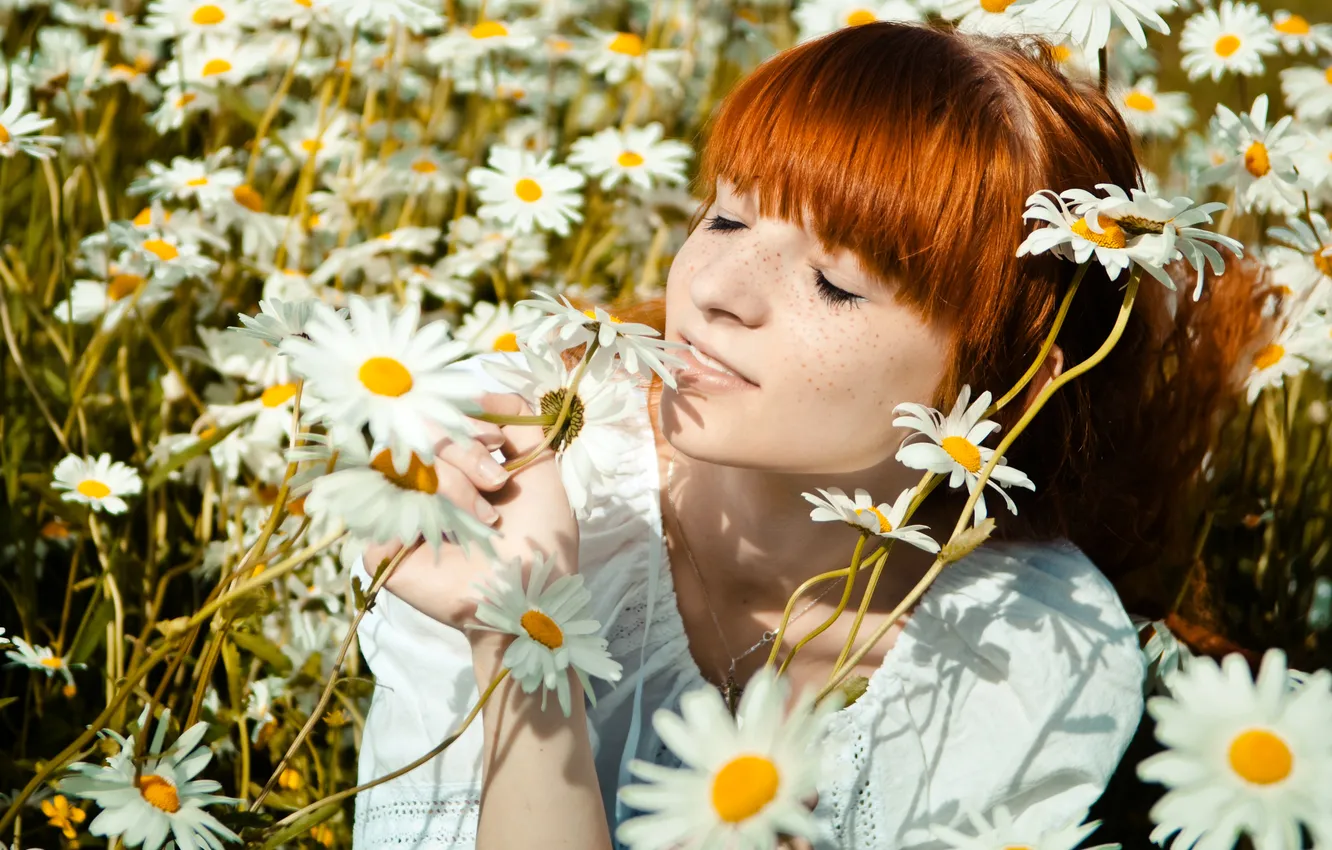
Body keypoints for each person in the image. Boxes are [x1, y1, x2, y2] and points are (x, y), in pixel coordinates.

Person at [348, 20, 1262, 850]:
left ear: (1012, 375)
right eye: (727, 215)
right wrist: (518, 632)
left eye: (837, 283)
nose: (715, 290)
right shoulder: (508, 477)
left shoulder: (1021, 658)